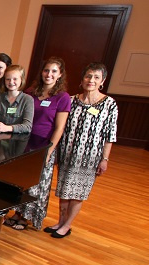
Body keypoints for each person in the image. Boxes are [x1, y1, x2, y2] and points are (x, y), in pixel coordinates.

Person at [51, 63, 117, 239]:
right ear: (82, 79)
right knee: (64, 190)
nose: (91, 80)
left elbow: (110, 134)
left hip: (90, 156)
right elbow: (61, 127)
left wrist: (105, 159)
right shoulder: (71, 100)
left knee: (78, 192)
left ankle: (67, 225)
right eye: (88, 76)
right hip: (67, 153)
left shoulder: (109, 104)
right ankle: (60, 221)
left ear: (102, 81)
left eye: (96, 77)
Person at [6, 57, 71, 231]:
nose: (49, 74)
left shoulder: (62, 97)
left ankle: (27, 218)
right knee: (21, 182)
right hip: (23, 143)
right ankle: (17, 214)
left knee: (36, 185)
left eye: (54, 71)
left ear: (60, 75)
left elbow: (59, 128)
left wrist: (50, 150)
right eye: (46, 70)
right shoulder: (30, 92)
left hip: (43, 146)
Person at [0, 65, 34, 134]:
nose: (11, 82)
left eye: (15, 79)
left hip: (15, 141)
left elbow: (27, 126)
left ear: (21, 80)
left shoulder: (28, 99)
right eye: (8, 79)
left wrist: (6, 128)